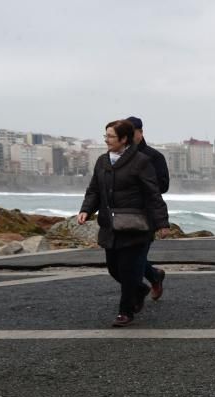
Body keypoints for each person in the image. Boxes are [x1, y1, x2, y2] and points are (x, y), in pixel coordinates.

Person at [77, 119, 169, 327]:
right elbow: (94, 190)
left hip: (136, 226)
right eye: (106, 136)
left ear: (124, 139)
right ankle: (141, 289)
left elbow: (153, 193)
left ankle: (125, 312)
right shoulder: (102, 161)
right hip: (111, 226)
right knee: (114, 269)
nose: (106, 140)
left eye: (110, 136)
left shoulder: (141, 161)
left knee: (128, 271)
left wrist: (162, 222)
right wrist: (86, 210)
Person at [126, 115, 168, 300]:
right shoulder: (119, 156)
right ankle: (154, 275)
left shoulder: (154, 157)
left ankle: (130, 303)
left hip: (146, 214)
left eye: (131, 132)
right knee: (127, 256)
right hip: (123, 213)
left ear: (140, 133)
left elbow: (163, 186)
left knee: (136, 255)